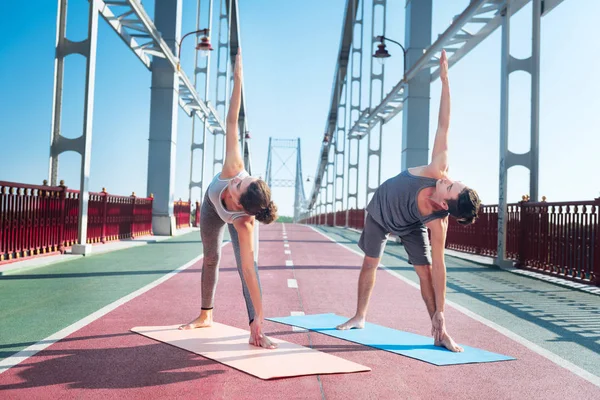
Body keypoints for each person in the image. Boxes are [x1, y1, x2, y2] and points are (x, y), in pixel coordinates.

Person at [336, 50, 481, 352]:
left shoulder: (437, 222)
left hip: (409, 225)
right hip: (380, 210)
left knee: (425, 271)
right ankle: (359, 316)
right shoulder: (435, 168)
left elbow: (440, 268)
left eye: (451, 186)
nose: (447, 179)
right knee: (370, 263)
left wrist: (442, 312)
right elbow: (444, 125)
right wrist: (445, 83)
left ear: (445, 204)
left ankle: (439, 332)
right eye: (453, 180)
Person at [180, 49, 278, 349]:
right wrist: (238, 80)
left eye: (239, 183)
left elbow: (249, 270)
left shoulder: (244, 222)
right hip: (211, 208)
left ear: (239, 204)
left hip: (229, 217)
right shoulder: (233, 166)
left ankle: (254, 326)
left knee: (246, 264)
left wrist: (259, 317)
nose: (237, 177)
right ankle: (205, 315)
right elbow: (232, 121)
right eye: (242, 178)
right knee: (211, 257)